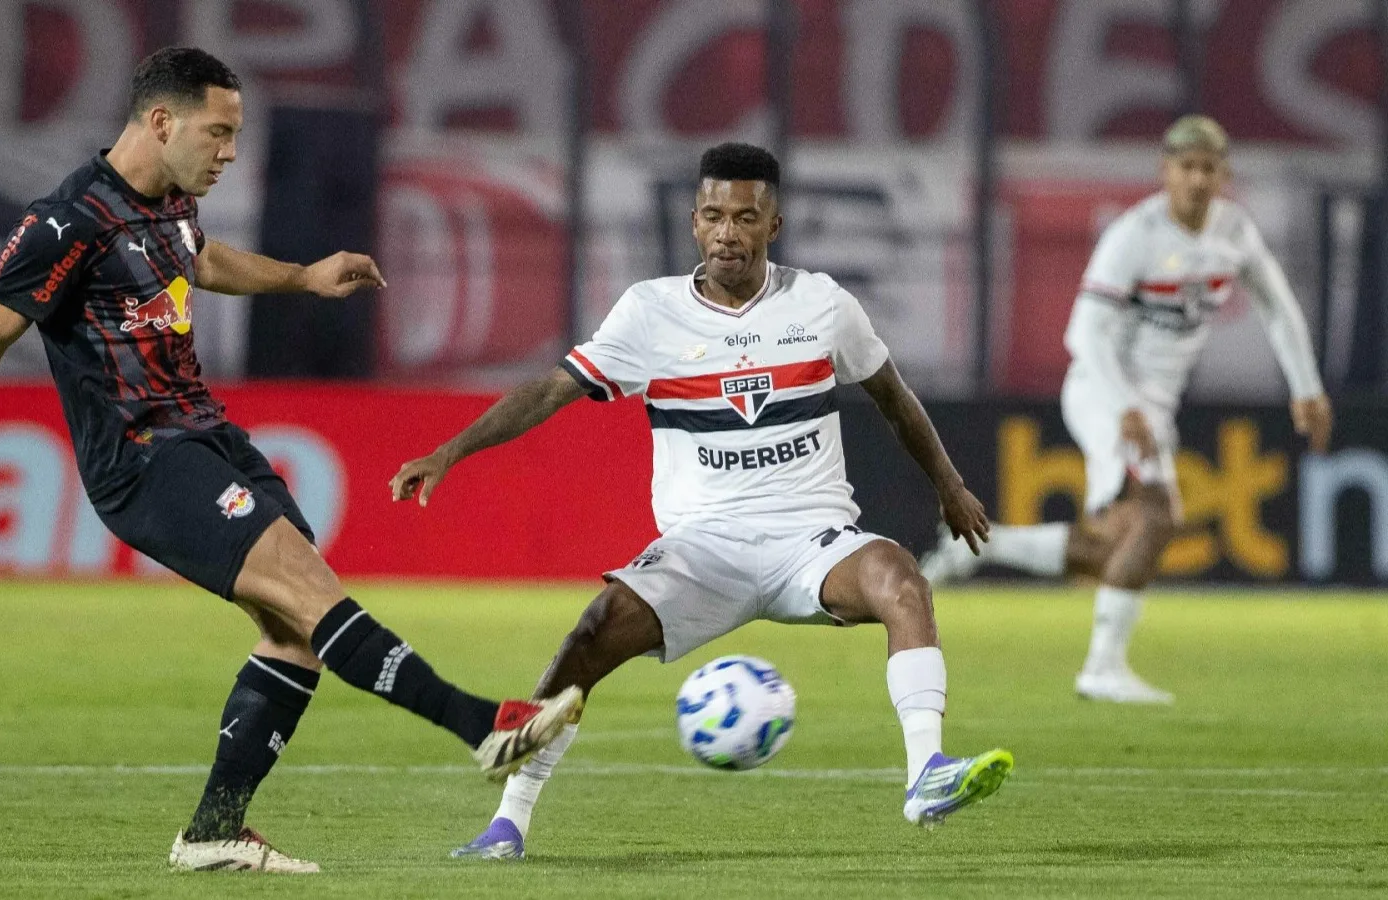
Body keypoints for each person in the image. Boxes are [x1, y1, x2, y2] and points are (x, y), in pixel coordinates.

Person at [0, 46, 580, 874]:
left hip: (207, 436)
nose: (230, 151)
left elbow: (202, 257)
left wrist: (302, 276)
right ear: (161, 121)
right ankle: (484, 726)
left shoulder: (172, 203)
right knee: (311, 593)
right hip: (143, 456)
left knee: (296, 633)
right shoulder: (67, 222)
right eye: (218, 133)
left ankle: (214, 830)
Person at [392, 142, 1013, 860]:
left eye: (745, 218)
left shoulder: (822, 305)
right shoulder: (649, 313)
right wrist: (450, 452)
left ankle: (927, 774)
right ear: (693, 222)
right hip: (702, 547)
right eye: (714, 215)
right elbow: (550, 392)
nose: (727, 232)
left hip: (809, 539)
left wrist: (950, 484)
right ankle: (509, 822)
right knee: (593, 634)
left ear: (772, 226)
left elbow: (893, 398)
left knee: (901, 578)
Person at [920, 115, 1332, 704]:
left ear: (1224, 174)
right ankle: (1102, 668)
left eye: (1207, 168)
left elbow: (1278, 308)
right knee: (1158, 519)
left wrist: (1307, 388)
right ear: (1166, 172)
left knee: (1115, 543)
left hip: (1150, 408)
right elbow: (1082, 335)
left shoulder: (1234, 231)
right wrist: (1124, 408)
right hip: (1103, 393)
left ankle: (981, 547)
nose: (1196, 180)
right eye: (1185, 167)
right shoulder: (1134, 237)